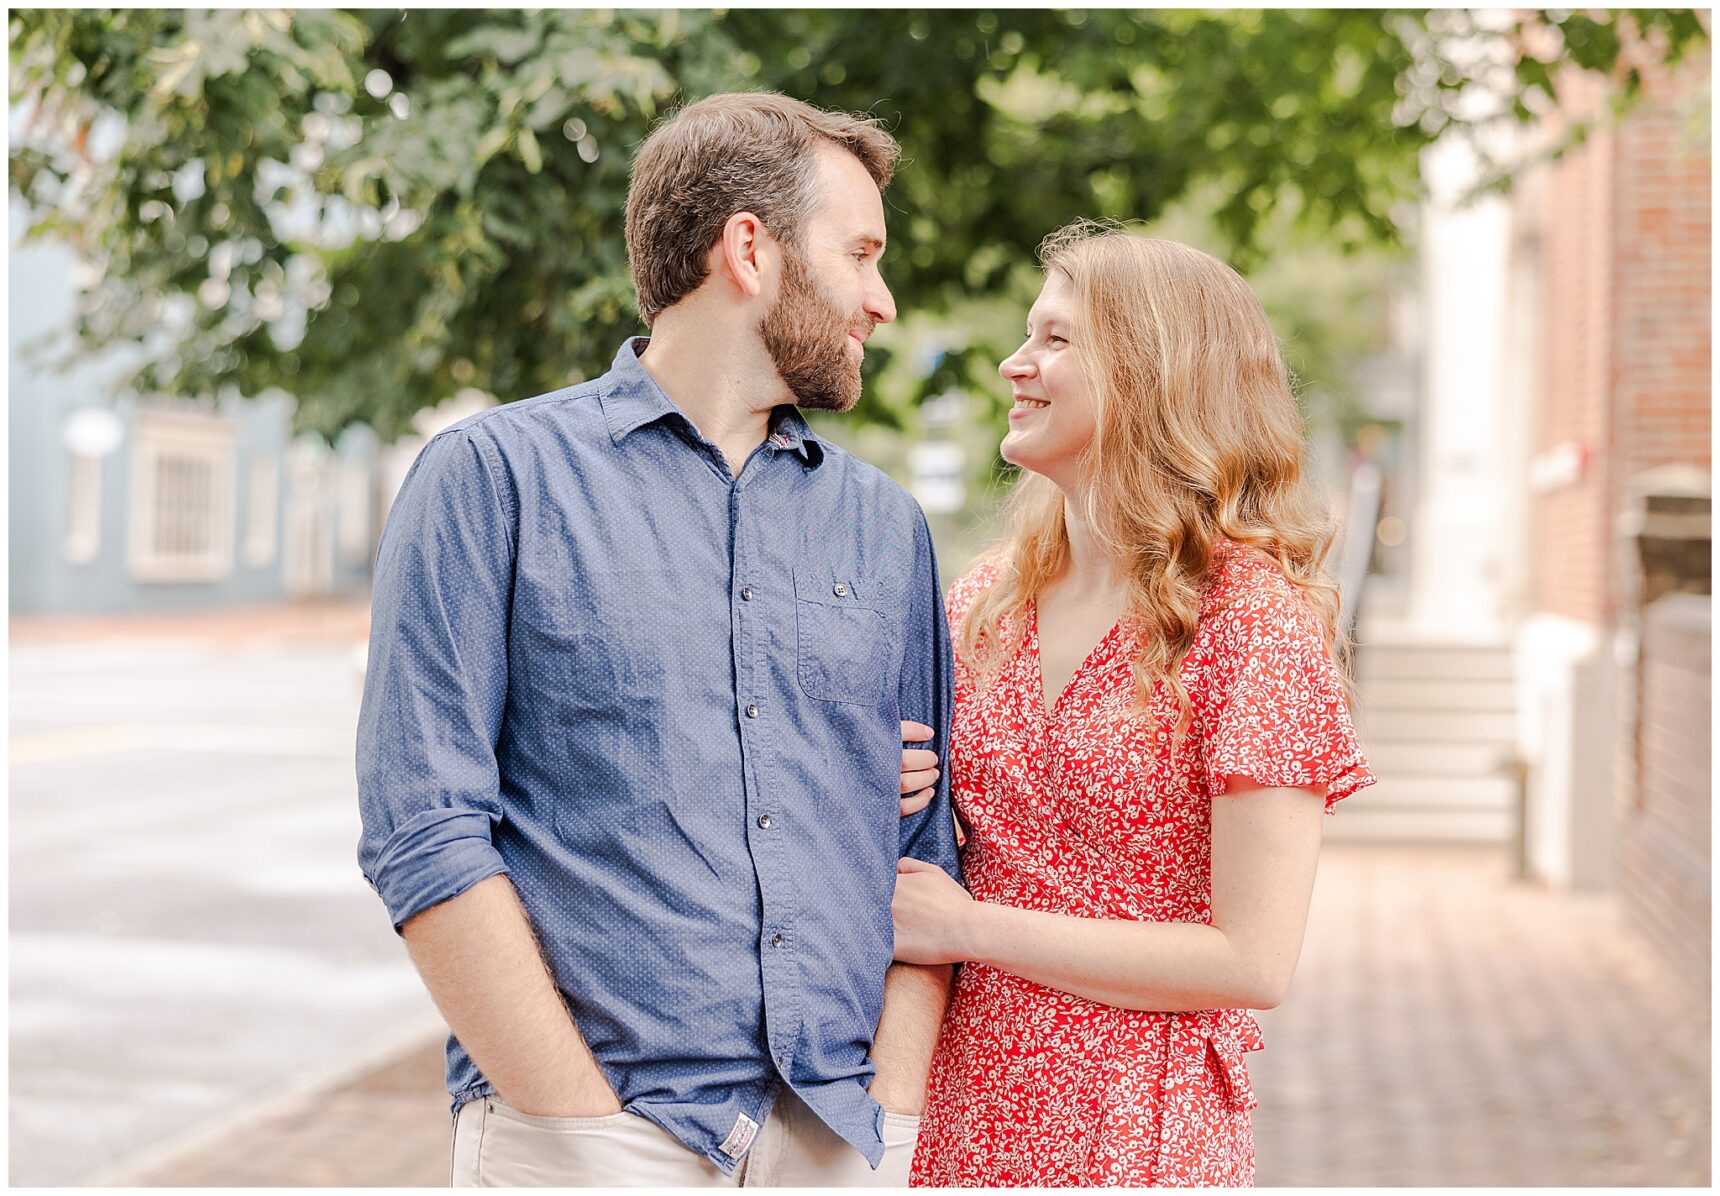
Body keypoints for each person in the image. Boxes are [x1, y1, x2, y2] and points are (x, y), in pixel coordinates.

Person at [355, 92, 961, 1187]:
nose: (881, 298)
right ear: (749, 249)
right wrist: (582, 1131)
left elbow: (924, 852)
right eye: (860, 253)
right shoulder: (492, 481)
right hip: (588, 1135)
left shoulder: (886, 528)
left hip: (838, 1137)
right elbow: (423, 830)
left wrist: (892, 1107)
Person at [890, 223, 1376, 1186]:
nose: (1014, 363)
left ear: (1153, 372)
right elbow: (926, 835)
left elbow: (1253, 959)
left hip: (1130, 1129)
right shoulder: (984, 601)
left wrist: (972, 927)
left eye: (1057, 339)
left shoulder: (1247, 624)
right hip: (954, 1116)